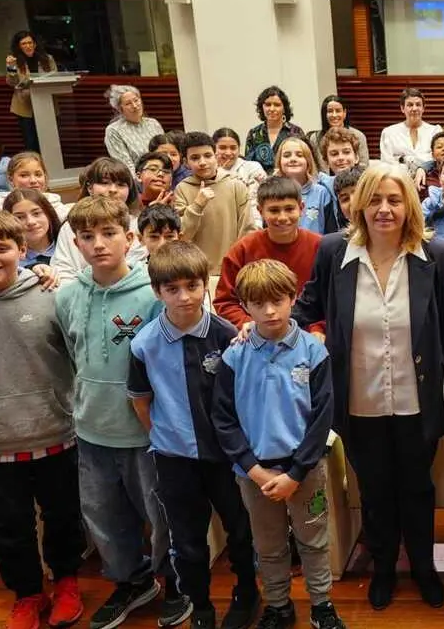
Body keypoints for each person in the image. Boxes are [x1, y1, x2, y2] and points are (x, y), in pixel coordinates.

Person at [292, 164, 444, 612]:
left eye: (394, 200)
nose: (384, 209)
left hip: (417, 399)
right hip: (358, 400)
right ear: (358, 205)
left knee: (418, 488)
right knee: (374, 489)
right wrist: (267, 328)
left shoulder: (436, 253)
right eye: (374, 200)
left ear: (410, 206)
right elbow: (305, 309)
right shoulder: (334, 251)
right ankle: (384, 567)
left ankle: (423, 567)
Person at [55, 195, 186, 629]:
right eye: (87, 236)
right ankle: (132, 581)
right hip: (91, 428)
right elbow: (72, 356)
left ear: (129, 239)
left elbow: (167, 364)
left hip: (146, 432)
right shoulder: (67, 297)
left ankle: (175, 581)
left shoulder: (153, 295)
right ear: (76, 243)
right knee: (104, 516)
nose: (98, 244)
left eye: (109, 233)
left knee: (161, 515)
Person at [0, 210, 86, 629]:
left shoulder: (53, 296)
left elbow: (78, 359)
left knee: (63, 517)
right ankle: (28, 594)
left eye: (2, 247)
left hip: (56, 433)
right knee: (7, 527)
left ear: (22, 249)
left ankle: (66, 582)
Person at [128, 241, 259, 629]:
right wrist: (165, 438)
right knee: (186, 540)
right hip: (175, 459)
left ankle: (247, 593)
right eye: (172, 289)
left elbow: (243, 394)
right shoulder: (143, 343)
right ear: (157, 292)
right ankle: (200, 605)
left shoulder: (226, 335)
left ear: (206, 284)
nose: (184, 297)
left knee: (240, 530)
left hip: (227, 457)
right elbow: (141, 402)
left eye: (192, 286)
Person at [211, 259, 346, 629]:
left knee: (313, 540)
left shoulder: (313, 352)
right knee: (268, 545)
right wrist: (254, 470)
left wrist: (296, 472)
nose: (270, 311)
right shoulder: (235, 355)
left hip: (305, 470)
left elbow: (322, 418)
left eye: (278, 301)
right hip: (255, 473)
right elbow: (223, 419)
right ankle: (278, 605)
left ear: (293, 297)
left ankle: (322, 605)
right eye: (258, 304)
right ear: (245, 305)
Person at [214, 177, 322, 329]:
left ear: (301, 208)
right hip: (257, 333)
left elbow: (332, 299)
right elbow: (225, 301)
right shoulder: (243, 249)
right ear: (260, 211)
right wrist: (249, 324)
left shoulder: (321, 247)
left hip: (309, 334)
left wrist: (318, 328)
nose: (282, 217)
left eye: (289, 209)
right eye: (274, 210)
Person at [51, 157, 148, 287]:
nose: (113, 189)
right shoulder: (71, 226)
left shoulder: (137, 225)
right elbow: (63, 270)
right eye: (105, 183)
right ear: (90, 188)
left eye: (121, 184)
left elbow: (136, 266)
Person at [172, 131, 254, 272]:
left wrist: (240, 262)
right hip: (197, 270)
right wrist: (197, 205)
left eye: (208, 156)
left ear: (216, 156)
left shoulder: (235, 184)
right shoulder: (182, 189)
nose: (202, 162)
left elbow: (247, 228)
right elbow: (182, 235)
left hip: (234, 267)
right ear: (185, 162)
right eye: (195, 158)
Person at [5, 30, 57, 151]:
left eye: (30, 43)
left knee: (50, 141)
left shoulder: (48, 59)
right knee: (31, 142)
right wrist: (11, 67)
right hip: (25, 107)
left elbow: (55, 78)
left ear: (35, 44)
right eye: (24, 44)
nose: (28, 46)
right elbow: (12, 82)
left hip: (46, 104)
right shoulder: (14, 61)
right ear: (19, 46)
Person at [0, 151, 69, 217]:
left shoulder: (56, 206)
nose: (33, 180)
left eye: (38, 175)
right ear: (11, 180)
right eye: (24, 175)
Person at [276, 137, 335, 234]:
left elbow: (331, 231)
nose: (293, 159)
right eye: (287, 155)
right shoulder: (273, 192)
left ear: (308, 161)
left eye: (299, 155)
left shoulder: (322, 193)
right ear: (279, 162)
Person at [104, 85, 165, 175]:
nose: (135, 106)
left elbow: (165, 153)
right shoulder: (114, 130)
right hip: (138, 179)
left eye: (136, 100)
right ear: (120, 108)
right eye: (128, 104)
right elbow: (126, 167)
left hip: (164, 175)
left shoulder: (153, 123)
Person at [380, 87, 444, 170]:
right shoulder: (389, 132)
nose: (414, 109)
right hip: (398, 176)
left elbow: (438, 160)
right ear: (402, 108)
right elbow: (387, 164)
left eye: (418, 105)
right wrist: (424, 159)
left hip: (429, 176)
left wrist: (403, 159)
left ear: (423, 108)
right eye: (410, 105)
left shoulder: (435, 131)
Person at [245, 86, 303, 173]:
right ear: (262, 107)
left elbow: (304, 160)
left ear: (284, 108)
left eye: (277, 105)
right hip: (261, 181)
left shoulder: (295, 132)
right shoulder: (254, 133)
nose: (272, 109)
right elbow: (248, 165)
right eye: (268, 105)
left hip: (289, 180)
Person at [214, 127, 267, 223]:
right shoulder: (208, 172)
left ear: (239, 149)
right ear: (213, 149)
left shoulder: (252, 167)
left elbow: (255, 202)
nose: (228, 152)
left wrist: (255, 227)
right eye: (222, 148)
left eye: (233, 148)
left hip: (251, 221)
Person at [306, 94, 370, 168]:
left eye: (338, 111)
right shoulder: (315, 138)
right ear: (325, 114)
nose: (334, 115)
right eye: (330, 111)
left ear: (344, 113)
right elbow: (313, 167)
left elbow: (364, 166)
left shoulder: (358, 136)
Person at [4, 188, 62, 267]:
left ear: (48, 214)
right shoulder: (11, 261)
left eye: (36, 213)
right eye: (20, 217)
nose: (30, 222)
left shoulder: (69, 246)